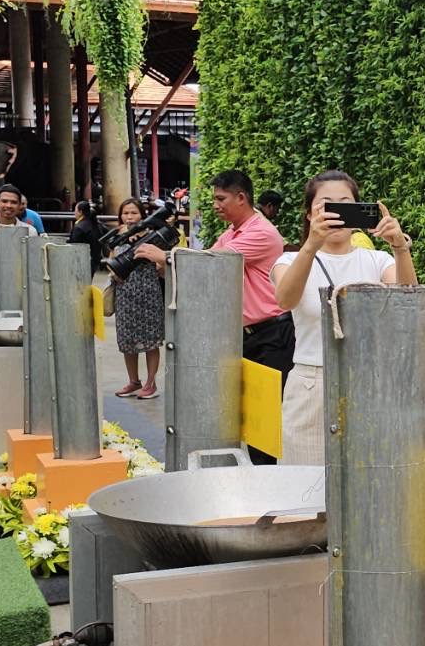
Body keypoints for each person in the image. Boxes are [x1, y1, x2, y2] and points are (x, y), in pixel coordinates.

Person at [143, 169, 291, 462]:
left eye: (221, 199)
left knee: (263, 422)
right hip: (248, 336)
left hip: (272, 336)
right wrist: (169, 266)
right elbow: (203, 263)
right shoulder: (233, 231)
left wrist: (166, 257)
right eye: (215, 199)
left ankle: (268, 481)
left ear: (241, 198)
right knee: (248, 418)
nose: (216, 205)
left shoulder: (260, 232)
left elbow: (212, 263)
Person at [272, 170, 416, 465]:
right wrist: (311, 245)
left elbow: (409, 304)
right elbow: (286, 299)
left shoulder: (378, 260)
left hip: (368, 383)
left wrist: (400, 247)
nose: (336, 214)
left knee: (366, 479)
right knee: (305, 482)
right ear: (309, 214)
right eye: (327, 206)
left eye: (345, 205)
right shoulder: (289, 261)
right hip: (310, 385)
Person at [108, 198, 167, 399]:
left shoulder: (152, 237)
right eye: (125, 213)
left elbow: (162, 269)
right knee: (127, 340)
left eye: (134, 213)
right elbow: (111, 262)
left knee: (151, 341)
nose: (129, 217)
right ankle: (133, 381)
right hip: (125, 295)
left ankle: (151, 383)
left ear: (142, 215)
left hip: (148, 294)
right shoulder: (117, 237)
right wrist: (114, 274)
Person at [67, 201, 104, 269]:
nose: (74, 213)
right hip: (95, 259)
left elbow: (74, 246)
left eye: (75, 211)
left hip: (82, 260)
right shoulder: (97, 223)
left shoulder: (79, 228)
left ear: (80, 212)